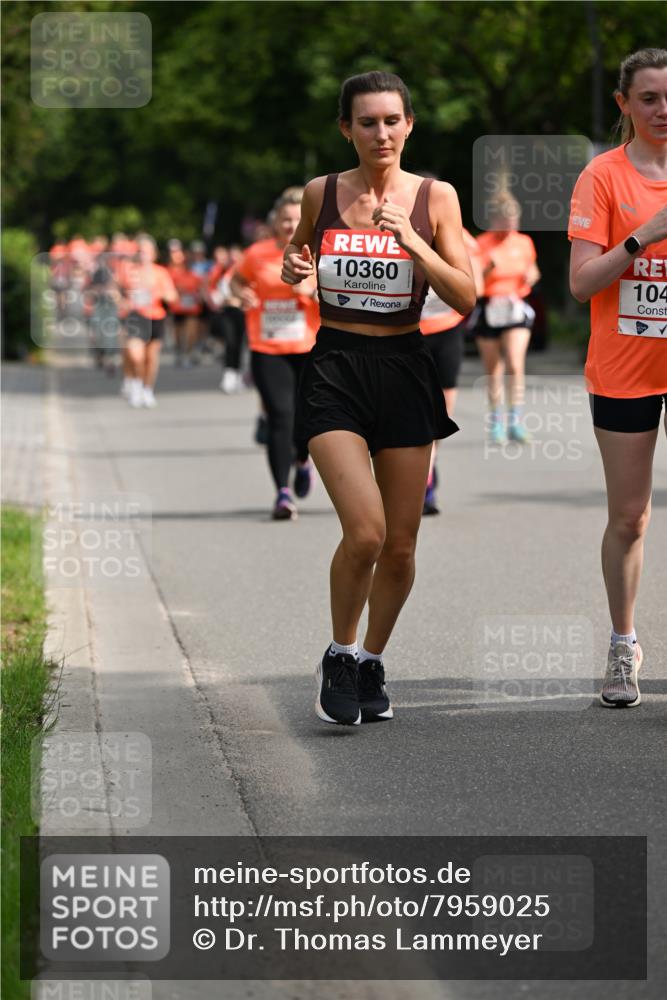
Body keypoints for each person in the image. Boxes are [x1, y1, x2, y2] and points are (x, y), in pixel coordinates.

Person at [282, 71, 475, 726]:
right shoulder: (322, 192)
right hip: (335, 364)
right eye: (366, 122)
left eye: (392, 120)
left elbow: (464, 295)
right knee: (363, 532)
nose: (381, 133)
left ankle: (371, 660)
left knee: (399, 544)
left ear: (409, 125)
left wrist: (413, 242)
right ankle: (338, 652)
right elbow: (298, 256)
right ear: (346, 129)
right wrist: (294, 268)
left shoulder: (436, 197)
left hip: (404, 367)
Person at [569, 47, 667, 708]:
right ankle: (623, 642)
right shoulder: (601, 177)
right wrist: (643, 235)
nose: (662, 110)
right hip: (626, 367)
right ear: (624, 104)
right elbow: (579, 284)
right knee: (629, 519)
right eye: (649, 98)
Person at [231, 188, 319, 519]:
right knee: (280, 415)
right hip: (268, 346)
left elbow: (340, 295)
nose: (290, 224)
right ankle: (282, 493)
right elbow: (236, 282)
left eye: (297, 219)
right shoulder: (257, 254)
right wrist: (244, 295)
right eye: (285, 219)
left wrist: (311, 291)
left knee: (306, 418)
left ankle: (302, 459)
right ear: (275, 222)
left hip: (310, 346)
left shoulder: (319, 253)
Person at [420, 219, 484, 513]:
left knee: (442, 413)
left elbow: (477, 286)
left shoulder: (460, 236)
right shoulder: (397, 230)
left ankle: (428, 473)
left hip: (447, 331)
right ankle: (420, 474)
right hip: (408, 332)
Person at [475, 194, 540, 444]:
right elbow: (475, 279)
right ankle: (497, 423)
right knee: (494, 369)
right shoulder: (482, 243)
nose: (512, 225)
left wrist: (531, 276)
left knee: (514, 363)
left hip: (515, 307)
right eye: (507, 221)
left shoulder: (524, 242)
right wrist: (489, 267)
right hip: (490, 307)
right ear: (495, 219)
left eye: (515, 220)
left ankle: (516, 420)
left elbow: (533, 268)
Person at [118, 235, 177, 408]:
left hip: (156, 317)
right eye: (140, 251)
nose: (143, 254)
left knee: (151, 358)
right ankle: (136, 386)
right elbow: (116, 290)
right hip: (136, 317)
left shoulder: (161, 272)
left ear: (154, 253)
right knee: (136, 356)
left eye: (146, 251)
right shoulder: (129, 271)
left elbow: (173, 295)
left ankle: (147, 389)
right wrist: (121, 301)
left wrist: (163, 295)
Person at [166, 240, 203, 367]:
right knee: (177, 332)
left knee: (191, 331)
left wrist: (197, 295)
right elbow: (171, 288)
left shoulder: (195, 276)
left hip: (192, 308)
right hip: (178, 308)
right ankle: (179, 351)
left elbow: (201, 289)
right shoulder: (174, 274)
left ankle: (188, 353)